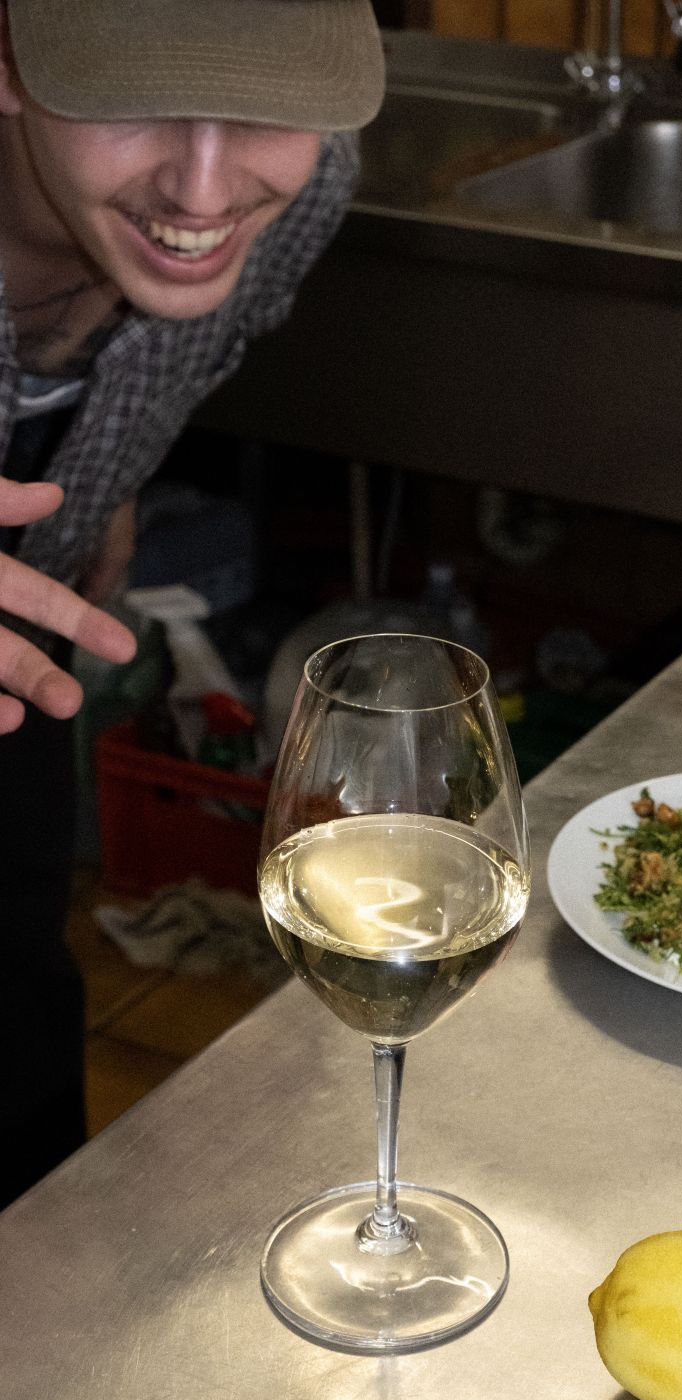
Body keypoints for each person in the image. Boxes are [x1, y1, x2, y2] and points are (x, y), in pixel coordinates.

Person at [0, 0, 386, 1205]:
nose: (205, 188)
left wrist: (98, 474)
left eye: (266, 109)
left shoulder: (304, 198)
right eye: (133, 102)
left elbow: (187, 344)